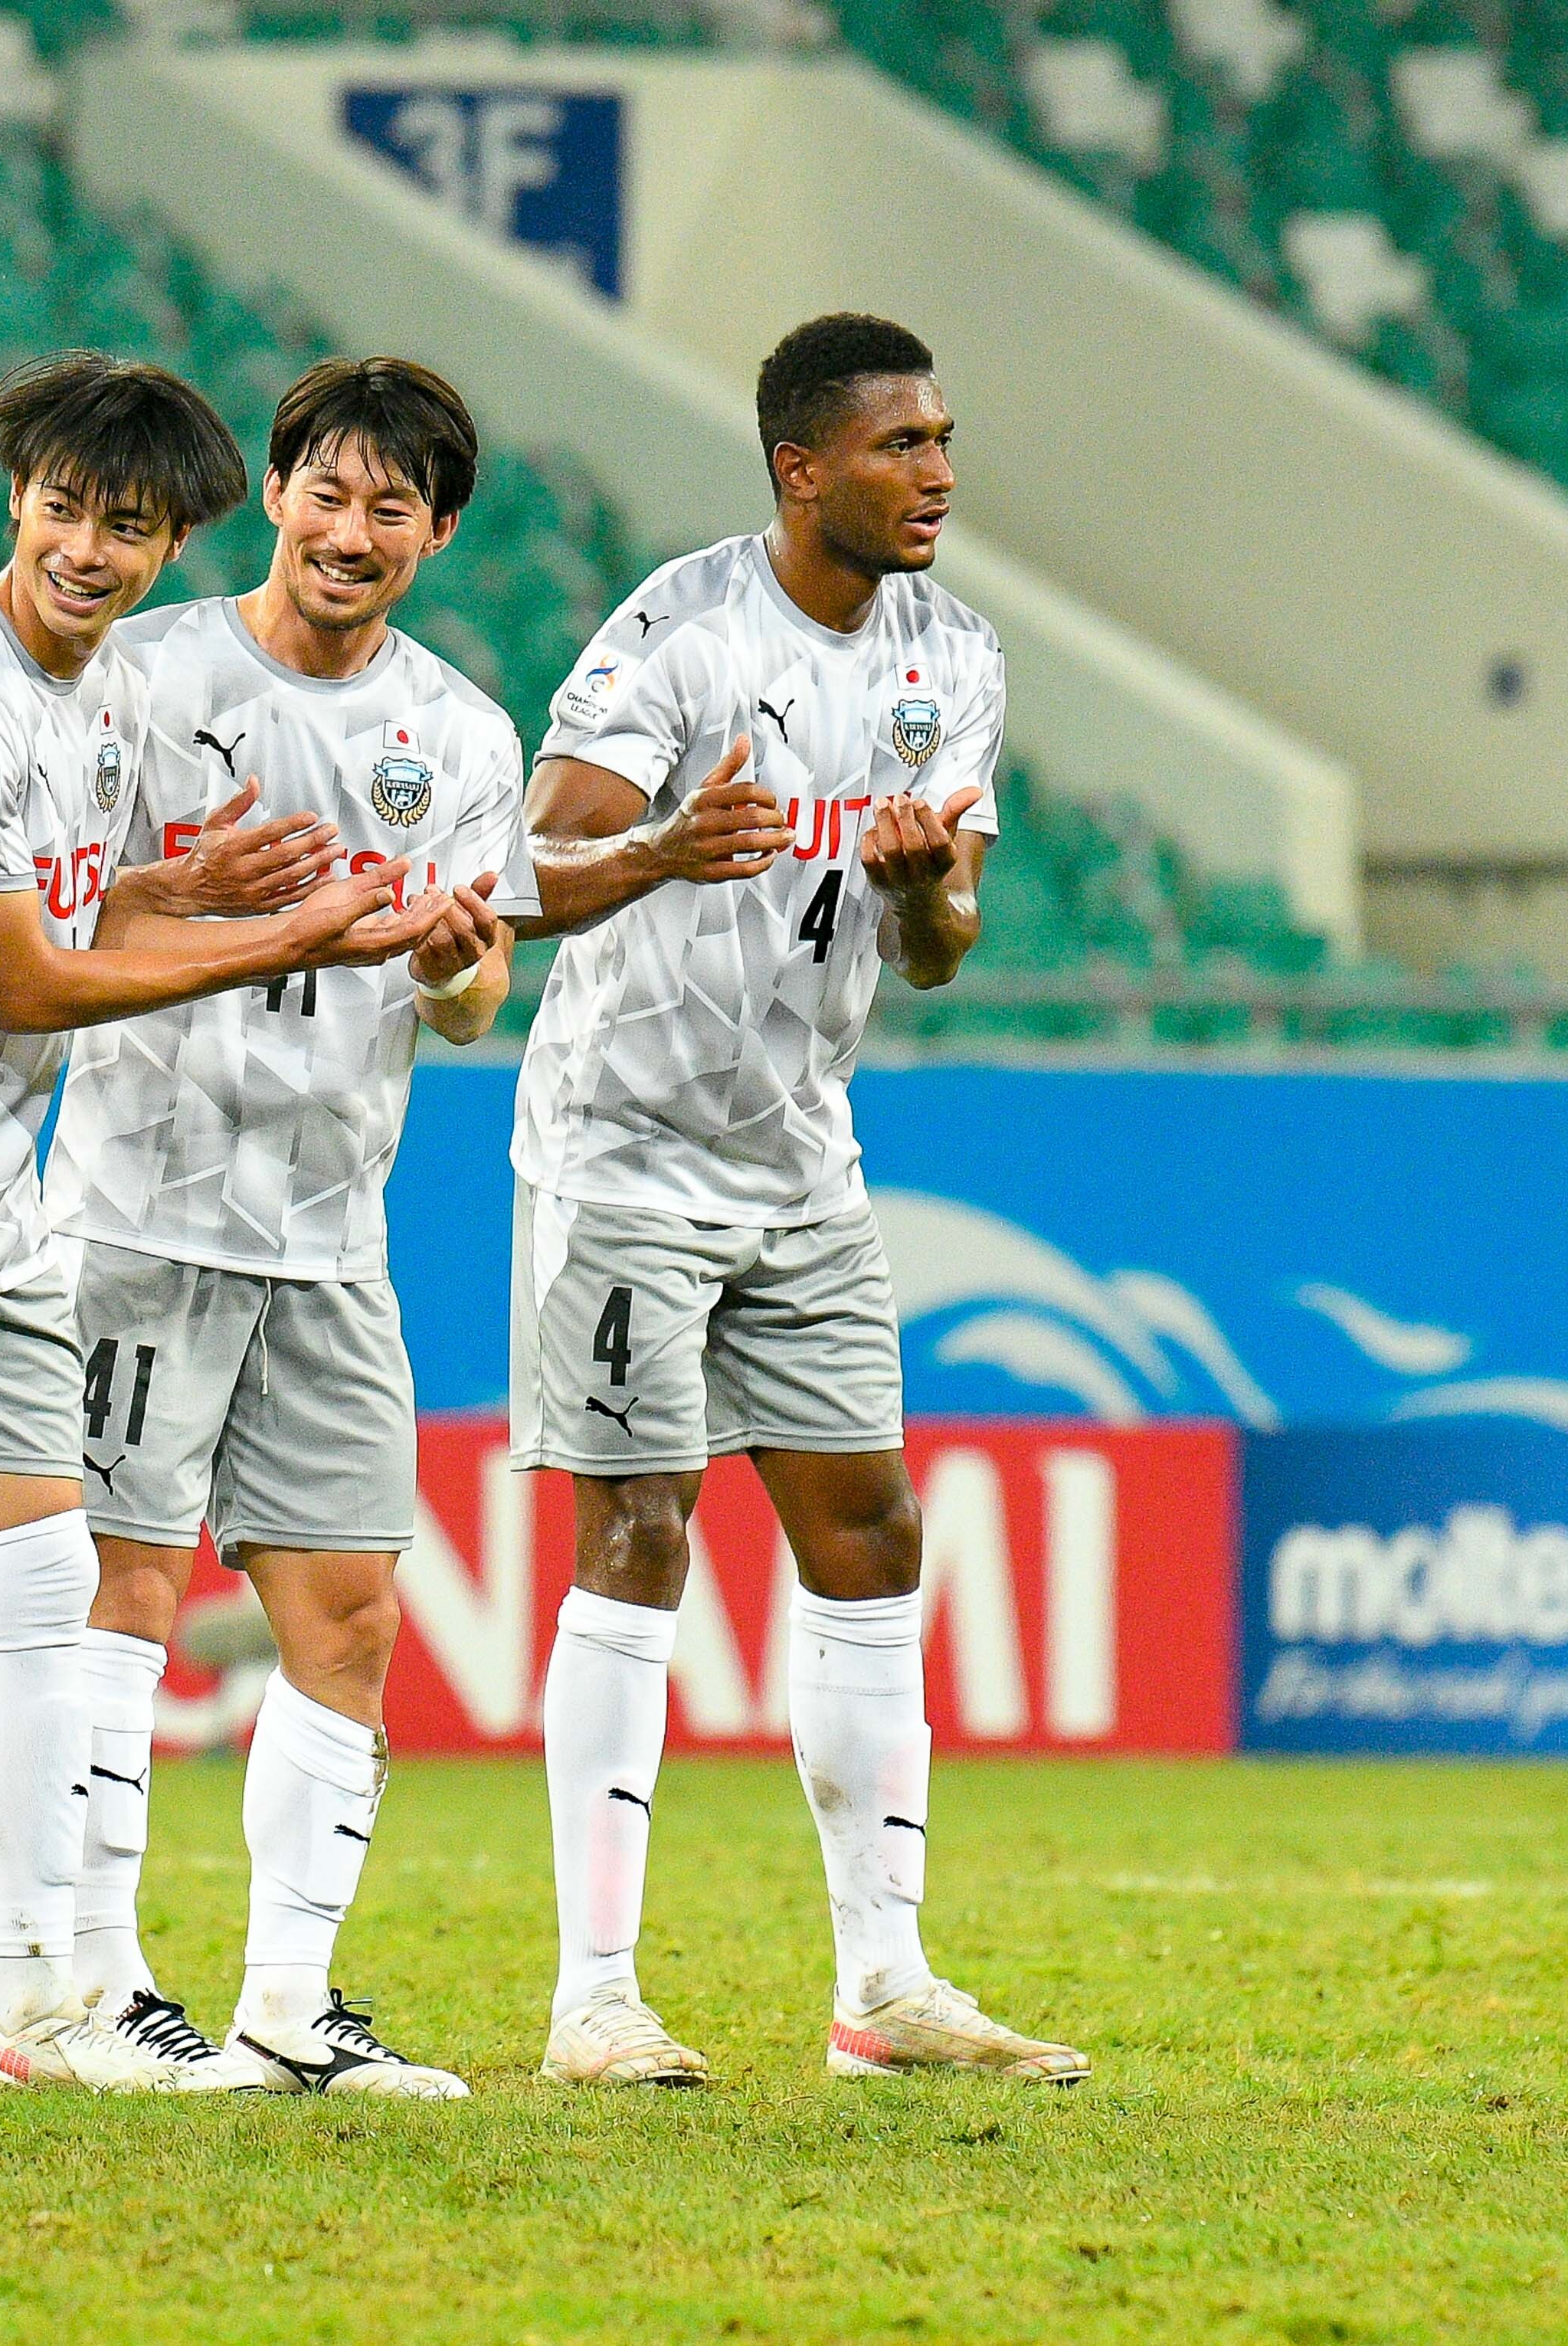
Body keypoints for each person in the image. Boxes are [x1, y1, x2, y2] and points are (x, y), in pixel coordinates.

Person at [0, 350, 454, 2098]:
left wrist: (167, 886)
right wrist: (281, 942)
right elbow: (37, 982)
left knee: (49, 1583)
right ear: (16, 501)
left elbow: (57, 903)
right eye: (67, 511)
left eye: (130, 526)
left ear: (174, 534)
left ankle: (43, 1999)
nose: (92, 551)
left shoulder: (105, 696)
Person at [512, 312, 1085, 2088]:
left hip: (803, 1155)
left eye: (941, 439)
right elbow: (528, 863)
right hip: (623, 1148)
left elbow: (940, 951)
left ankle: (884, 1989)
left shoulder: (956, 656)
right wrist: (661, 847)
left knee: (870, 1533)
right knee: (639, 1537)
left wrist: (923, 893)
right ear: (800, 467)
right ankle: (594, 1993)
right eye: (900, 444)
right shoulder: (678, 638)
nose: (936, 473)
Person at [44, 357, 532, 2099]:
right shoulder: (150, 674)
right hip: (136, 1211)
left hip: (332, 1234)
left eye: (389, 508)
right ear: (273, 496)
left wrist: (455, 964)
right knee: (120, 1589)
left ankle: (287, 2001)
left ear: (436, 534)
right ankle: (90, 1991)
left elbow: (473, 1002)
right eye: (326, 494)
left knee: (349, 1613)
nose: (350, 532)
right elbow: (53, 914)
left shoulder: (466, 737)